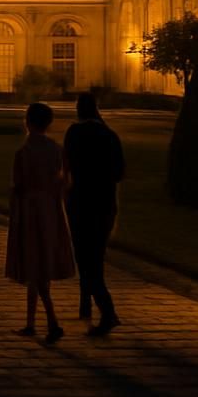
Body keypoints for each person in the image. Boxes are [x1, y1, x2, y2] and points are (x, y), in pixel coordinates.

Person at [6, 102, 76, 344]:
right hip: (51, 210)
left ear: (27, 122)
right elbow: (65, 181)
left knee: (35, 269)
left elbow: (17, 186)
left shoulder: (24, 153)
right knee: (41, 265)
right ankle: (31, 323)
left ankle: (52, 321)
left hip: (31, 211)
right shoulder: (56, 149)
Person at [64, 92, 124, 336]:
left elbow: (66, 165)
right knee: (95, 257)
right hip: (105, 203)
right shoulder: (110, 135)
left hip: (81, 202)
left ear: (79, 109)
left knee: (85, 260)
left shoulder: (74, 133)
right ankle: (85, 304)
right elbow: (119, 172)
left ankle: (107, 312)